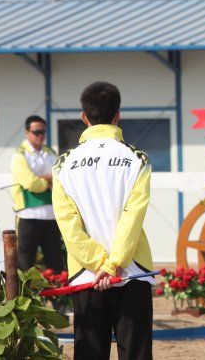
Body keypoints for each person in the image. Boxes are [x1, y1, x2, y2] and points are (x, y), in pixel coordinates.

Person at [52, 82, 154, 360]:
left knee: (89, 355)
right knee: (137, 354)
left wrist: (99, 264)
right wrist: (113, 265)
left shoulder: (63, 165)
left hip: (86, 276)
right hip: (133, 272)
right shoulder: (138, 159)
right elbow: (133, 218)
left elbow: (68, 227)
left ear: (84, 116)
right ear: (118, 114)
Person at [10, 115, 64, 273]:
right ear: (27, 132)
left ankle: (56, 298)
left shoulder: (51, 153)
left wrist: (41, 180)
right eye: (36, 132)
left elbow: (60, 178)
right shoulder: (19, 155)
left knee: (56, 263)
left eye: (43, 132)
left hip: (52, 216)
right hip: (29, 215)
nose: (40, 135)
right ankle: (25, 297)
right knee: (25, 264)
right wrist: (48, 182)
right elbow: (30, 183)